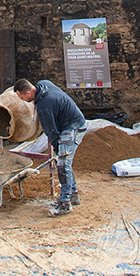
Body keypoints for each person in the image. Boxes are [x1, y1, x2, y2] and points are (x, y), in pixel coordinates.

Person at [14, 77, 87, 216]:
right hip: (73, 121)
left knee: (62, 164)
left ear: (28, 93)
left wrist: (57, 149)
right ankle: (73, 195)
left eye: (21, 96)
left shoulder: (44, 107)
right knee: (65, 162)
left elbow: (52, 132)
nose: (22, 100)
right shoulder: (43, 84)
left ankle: (65, 204)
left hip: (73, 127)